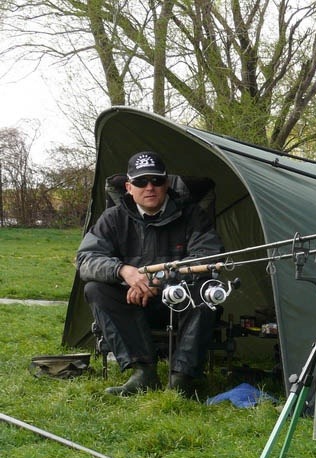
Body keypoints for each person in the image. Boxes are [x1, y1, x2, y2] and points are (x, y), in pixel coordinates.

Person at [76, 151, 224, 396]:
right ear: (128, 187)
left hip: (178, 302)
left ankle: (181, 378)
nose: (149, 187)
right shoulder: (112, 218)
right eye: (141, 182)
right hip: (132, 302)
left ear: (166, 184)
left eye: (156, 181)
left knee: (208, 290)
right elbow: (85, 260)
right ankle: (143, 372)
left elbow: (208, 258)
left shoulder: (193, 215)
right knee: (95, 289)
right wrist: (123, 271)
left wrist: (160, 281)